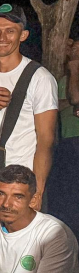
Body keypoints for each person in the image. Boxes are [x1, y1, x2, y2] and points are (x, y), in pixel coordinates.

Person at [0, 4, 58, 207]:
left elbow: (46, 140)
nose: (2, 37)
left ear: (23, 35)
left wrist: (38, 191)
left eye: (10, 31)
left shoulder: (40, 78)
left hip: (21, 183)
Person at [48, 37, 79, 235]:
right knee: (68, 194)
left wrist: (74, 67)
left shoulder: (73, 73)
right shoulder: (62, 81)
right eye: (73, 49)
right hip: (67, 141)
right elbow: (54, 106)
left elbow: (75, 97)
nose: (74, 52)